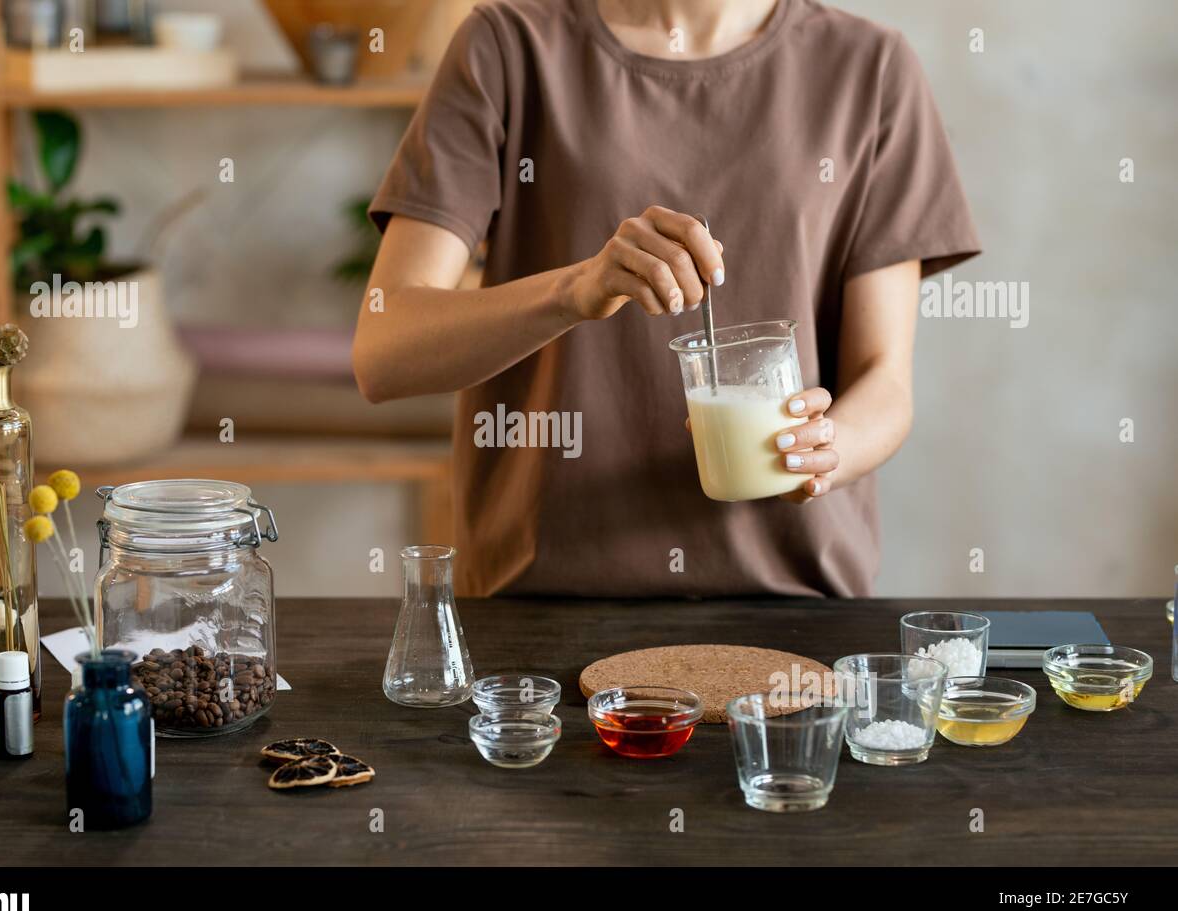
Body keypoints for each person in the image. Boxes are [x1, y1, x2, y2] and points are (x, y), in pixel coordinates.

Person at [353, 0, 980, 597]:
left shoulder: (869, 67)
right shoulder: (506, 47)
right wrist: (575, 289)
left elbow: (884, 381)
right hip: (539, 606)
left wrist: (823, 452)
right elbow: (385, 352)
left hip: (796, 604)